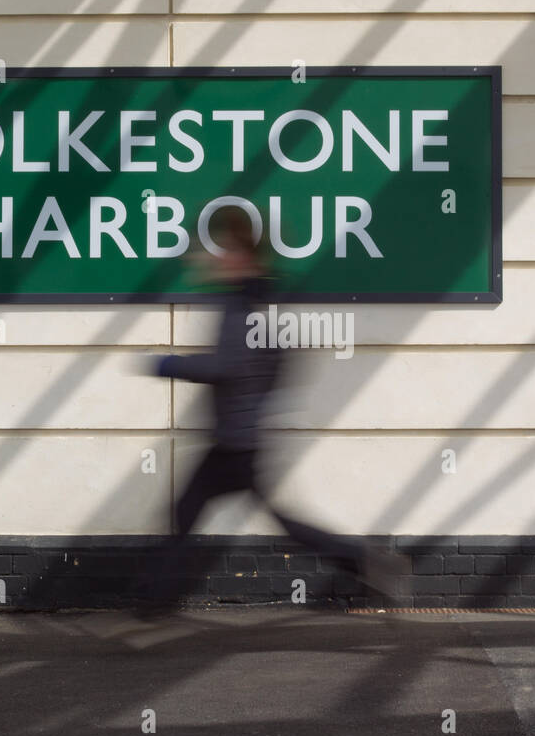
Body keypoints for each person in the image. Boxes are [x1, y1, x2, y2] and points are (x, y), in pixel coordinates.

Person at [140, 205, 402, 616]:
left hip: (236, 442)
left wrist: (166, 363)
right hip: (242, 437)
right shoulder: (265, 302)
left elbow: (224, 365)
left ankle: (154, 606)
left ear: (244, 256)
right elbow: (282, 361)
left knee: (200, 513)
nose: (215, 257)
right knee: (201, 512)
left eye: (224, 249)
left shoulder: (239, 306)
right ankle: (364, 560)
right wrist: (256, 399)